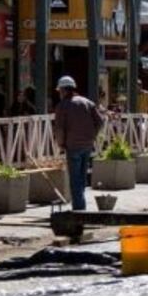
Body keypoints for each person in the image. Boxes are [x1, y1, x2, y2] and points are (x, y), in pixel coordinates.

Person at [52, 75, 104, 211]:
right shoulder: (87, 102)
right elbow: (100, 122)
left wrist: (61, 144)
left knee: (75, 179)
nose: (59, 94)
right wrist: (92, 136)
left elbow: (59, 129)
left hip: (72, 146)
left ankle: (79, 208)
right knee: (81, 177)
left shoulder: (62, 106)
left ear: (63, 90)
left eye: (60, 91)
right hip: (87, 145)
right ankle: (81, 205)